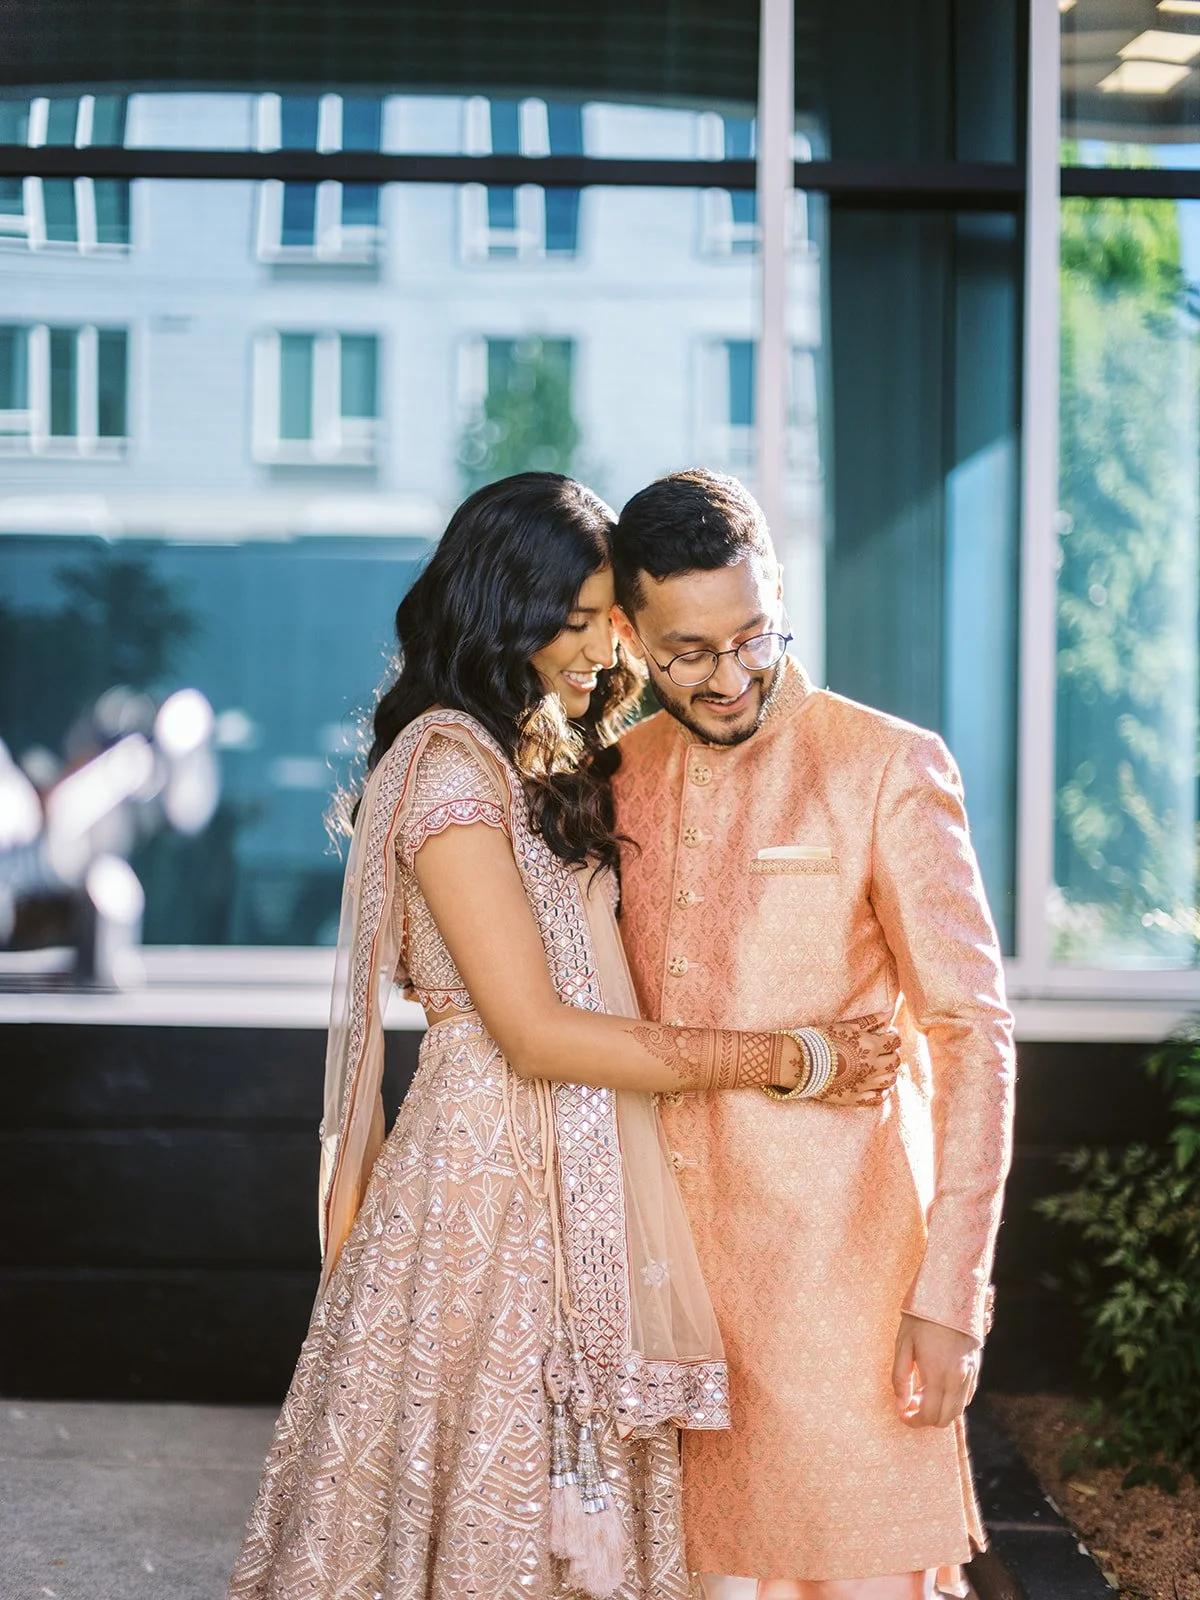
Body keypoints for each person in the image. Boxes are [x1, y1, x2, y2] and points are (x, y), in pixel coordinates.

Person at [227, 472, 899, 1600]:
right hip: (486, 1192)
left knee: (572, 1512)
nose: (604, 646)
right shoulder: (446, 764)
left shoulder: (537, 751)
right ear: (505, 608)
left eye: (610, 619)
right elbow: (533, 1032)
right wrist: (791, 1057)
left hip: (576, 1176)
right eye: (576, 620)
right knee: (497, 1503)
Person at [608, 469, 1017, 1600]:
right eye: (687, 651)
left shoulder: (885, 763)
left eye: (753, 635)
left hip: (847, 1294)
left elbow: (973, 1032)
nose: (730, 675)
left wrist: (951, 1296)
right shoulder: (612, 778)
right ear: (630, 633)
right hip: (665, 1298)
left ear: (779, 592)